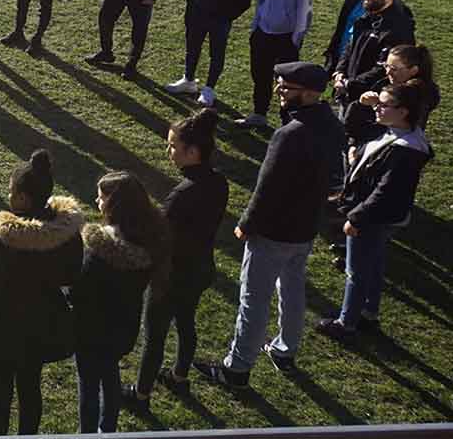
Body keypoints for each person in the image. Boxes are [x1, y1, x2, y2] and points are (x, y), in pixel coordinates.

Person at [196, 62, 342, 388]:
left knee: (254, 298)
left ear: (309, 93)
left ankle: (237, 368)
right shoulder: (332, 125)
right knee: (292, 290)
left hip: (274, 230)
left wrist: (247, 223)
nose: (279, 91)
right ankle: (285, 350)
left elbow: (268, 186)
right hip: (305, 229)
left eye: (286, 87)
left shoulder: (289, 134)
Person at [0, 150, 84, 435]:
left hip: (3, 331)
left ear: (23, 198)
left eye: (11, 192)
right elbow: (72, 275)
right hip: (41, 328)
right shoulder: (66, 234)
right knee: (30, 390)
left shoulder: (9, 240)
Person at [126, 111, 228, 407]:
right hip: (200, 270)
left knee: (155, 336)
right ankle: (180, 376)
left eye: (173, 146)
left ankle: (141, 393)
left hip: (171, 275)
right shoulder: (219, 183)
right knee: (186, 323)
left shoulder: (182, 194)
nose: (168, 151)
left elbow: (157, 235)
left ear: (193, 152)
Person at [317, 83, 434, 342]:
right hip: (378, 215)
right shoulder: (395, 130)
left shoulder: (406, 150)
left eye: (383, 104)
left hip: (372, 217)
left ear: (403, 112)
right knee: (374, 263)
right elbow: (353, 129)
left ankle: (346, 324)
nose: (377, 108)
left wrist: (356, 217)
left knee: (356, 271)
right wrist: (361, 105)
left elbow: (385, 191)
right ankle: (369, 312)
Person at [72, 172, 169, 433]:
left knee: (89, 385)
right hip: (123, 328)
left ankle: (89, 433)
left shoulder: (99, 250)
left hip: (90, 331)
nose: (97, 201)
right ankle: (109, 429)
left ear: (116, 205)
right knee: (110, 374)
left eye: (102, 198)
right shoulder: (149, 243)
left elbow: (80, 292)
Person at [239, 0, 313, 128]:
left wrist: (296, 38)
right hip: (263, 32)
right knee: (260, 75)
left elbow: (303, 9)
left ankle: (286, 121)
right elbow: (261, 0)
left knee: (286, 82)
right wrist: (256, 26)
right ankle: (259, 113)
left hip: (286, 37)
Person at [334, 0, 416, 150]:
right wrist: (340, 71)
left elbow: (384, 69)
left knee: (357, 147)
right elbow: (350, 45)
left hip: (373, 103)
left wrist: (349, 84)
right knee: (342, 144)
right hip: (350, 94)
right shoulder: (367, 17)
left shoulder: (398, 29)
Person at [320, 0, 380, 69]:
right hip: (340, 58)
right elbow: (340, 31)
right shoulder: (350, 2)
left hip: (359, 65)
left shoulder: (383, 10)